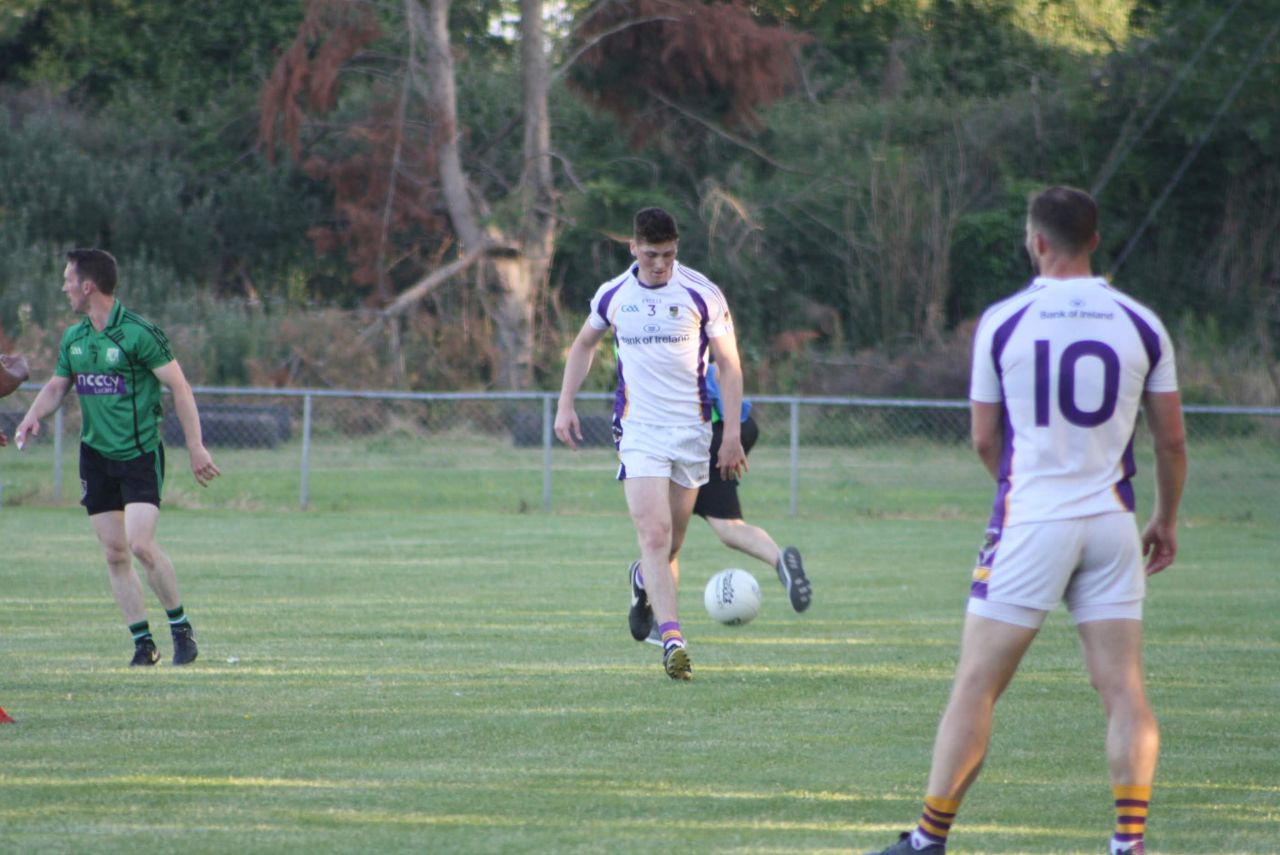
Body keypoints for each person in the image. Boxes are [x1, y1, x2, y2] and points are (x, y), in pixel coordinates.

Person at [866, 186, 1187, 855]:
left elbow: (985, 439)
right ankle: (1129, 843)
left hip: (1033, 521)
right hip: (1113, 521)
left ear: (1037, 241)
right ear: (1093, 240)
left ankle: (928, 840)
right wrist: (1165, 517)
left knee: (977, 684)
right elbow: (1173, 441)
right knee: (1123, 687)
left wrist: (1025, 497)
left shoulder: (1005, 321)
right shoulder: (1140, 322)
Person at [555, 207, 747, 681]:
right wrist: (565, 404)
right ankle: (674, 641)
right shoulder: (613, 295)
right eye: (651, 254)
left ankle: (642, 579)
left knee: (673, 543)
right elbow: (582, 346)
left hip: (692, 432)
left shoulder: (702, 293)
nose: (660, 264)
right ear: (633, 248)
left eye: (668, 254)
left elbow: (728, 363)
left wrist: (733, 436)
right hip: (638, 431)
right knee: (655, 535)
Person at [15, 249, 221, 667]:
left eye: (68, 280)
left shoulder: (140, 333)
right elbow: (58, 387)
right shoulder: (74, 338)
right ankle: (143, 645)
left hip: (140, 453)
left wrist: (196, 446)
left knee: (141, 544)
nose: (64, 287)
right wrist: (32, 416)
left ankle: (181, 629)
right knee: (114, 552)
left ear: (87, 285)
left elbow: (180, 388)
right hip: (95, 457)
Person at [637, 358, 811, 640]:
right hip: (732, 427)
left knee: (665, 537)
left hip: (701, 434)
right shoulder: (689, 326)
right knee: (728, 526)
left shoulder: (643, 333)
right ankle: (780, 560)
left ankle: (660, 620)